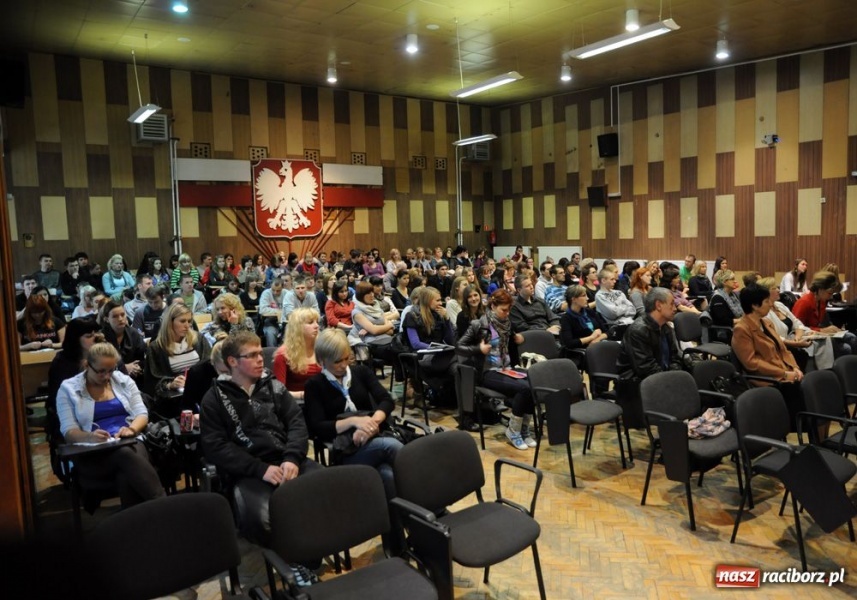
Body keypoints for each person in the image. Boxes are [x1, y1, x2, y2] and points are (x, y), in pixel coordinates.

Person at [200, 331, 317, 547]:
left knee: (328, 492)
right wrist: (259, 469)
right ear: (232, 361)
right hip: (248, 472)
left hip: (287, 460)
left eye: (261, 353)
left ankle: (310, 551)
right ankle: (294, 560)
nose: (261, 359)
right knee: (262, 520)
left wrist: (291, 457)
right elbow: (215, 447)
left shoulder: (273, 386)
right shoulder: (213, 399)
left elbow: (296, 423)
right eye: (252, 355)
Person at [56, 343, 165, 508]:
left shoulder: (123, 380)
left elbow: (141, 414)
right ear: (87, 365)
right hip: (92, 451)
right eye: (101, 371)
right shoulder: (68, 389)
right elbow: (68, 431)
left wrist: (131, 429)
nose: (107, 376)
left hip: (130, 440)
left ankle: (136, 527)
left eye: (111, 370)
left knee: (125, 473)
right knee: (125, 455)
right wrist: (90, 437)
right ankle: (164, 506)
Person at [457, 290, 535, 451]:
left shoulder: (507, 323)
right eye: (503, 310)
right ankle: (513, 431)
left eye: (508, 310)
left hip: (505, 367)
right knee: (524, 388)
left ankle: (524, 430)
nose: (507, 313)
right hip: (487, 371)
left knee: (535, 382)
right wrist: (478, 349)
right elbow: (459, 347)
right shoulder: (479, 324)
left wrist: (519, 338)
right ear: (493, 306)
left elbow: (511, 341)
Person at [732, 284, 805, 428]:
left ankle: (817, 439)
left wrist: (795, 368)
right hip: (766, 378)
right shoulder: (742, 329)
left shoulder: (766, 323)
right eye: (766, 301)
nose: (770, 304)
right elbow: (751, 363)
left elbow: (783, 350)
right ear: (754, 305)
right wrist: (784, 373)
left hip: (781, 372)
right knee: (804, 396)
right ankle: (807, 435)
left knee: (809, 388)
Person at [616, 288, 683, 428]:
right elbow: (645, 367)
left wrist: (675, 375)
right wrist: (671, 381)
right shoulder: (638, 330)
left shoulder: (666, 328)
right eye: (671, 304)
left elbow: (675, 357)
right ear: (658, 305)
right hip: (634, 382)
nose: (675, 308)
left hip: (659, 375)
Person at [145, 302, 211, 416]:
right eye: (182, 321)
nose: (187, 325)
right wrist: (170, 384)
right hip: (175, 399)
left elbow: (210, 366)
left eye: (189, 321)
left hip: (202, 392)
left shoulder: (198, 339)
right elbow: (152, 382)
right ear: (170, 322)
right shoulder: (156, 347)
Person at [755, 277, 829, 371]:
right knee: (812, 347)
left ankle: (826, 372)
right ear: (765, 292)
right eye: (774, 288)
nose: (778, 290)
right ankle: (813, 376)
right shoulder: (763, 312)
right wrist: (796, 343)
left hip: (795, 337)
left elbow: (797, 322)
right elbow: (773, 336)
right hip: (783, 343)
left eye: (778, 287)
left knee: (825, 339)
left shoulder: (779, 305)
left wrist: (798, 336)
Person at [402, 287, 457, 405]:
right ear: (427, 300)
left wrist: (447, 319)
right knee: (458, 361)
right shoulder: (412, 316)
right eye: (437, 300)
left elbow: (450, 340)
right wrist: (435, 348)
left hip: (439, 354)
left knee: (459, 365)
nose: (440, 303)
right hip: (422, 356)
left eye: (440, 300)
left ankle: (456, 399)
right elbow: (415, 343)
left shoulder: (438, 315)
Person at [47, 318, 104, 424]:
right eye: (88, 336)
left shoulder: (98, 356)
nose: (94, 339)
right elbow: (61, 399)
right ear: (75, 339)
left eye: (94, 334)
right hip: (73, 412)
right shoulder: (62, 363)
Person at [792, 271, 856, 356]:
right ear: (820, 289)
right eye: (829, 293)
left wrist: (833, 329)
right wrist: (821, 330)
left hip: (818, 334)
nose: (831, 296)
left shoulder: (821, 301)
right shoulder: (803, 302)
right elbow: (797, 328)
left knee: (852, 337)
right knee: (845, 348)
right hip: (809, 338)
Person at [273, 308, 322, 400]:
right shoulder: (282, 355)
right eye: (310, 322)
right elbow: (278, 392)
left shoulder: (321, 349)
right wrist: (304, 395)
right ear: (297, 327)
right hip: (297, 404)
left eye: (317, 322)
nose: (316, 326)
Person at [99, 300, 145, 380]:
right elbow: (101, 364)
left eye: (122, 315)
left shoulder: (133, 333)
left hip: (134, 375)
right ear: (106, 319)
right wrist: (123, 368)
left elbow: (142, 356)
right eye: (115, 316)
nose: (120, 319)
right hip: (110, 377)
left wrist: (135, 367)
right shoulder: (101, 337)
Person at [560, 285, 609, 354]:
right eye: (584, 296)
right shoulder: (566, 318)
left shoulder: (589, 311)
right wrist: (592, 337)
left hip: (598, 344)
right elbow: (569, 343)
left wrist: (597, 339)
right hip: (583, 351)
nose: (587, 298)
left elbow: (607, 332)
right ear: (574, 299)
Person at [709, 269, 743, 335]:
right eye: (732, 279)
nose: (735, 281)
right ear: (724, 282)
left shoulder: (732, 295)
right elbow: (722, 320)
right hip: (725, 331)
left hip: (735, 326)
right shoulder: (717, 298)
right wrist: (741, 320)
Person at [259, 276, 286, 347]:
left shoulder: (287, 293)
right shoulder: (266, 293)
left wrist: (275, 311)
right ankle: (271, 353)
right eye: (273, 290)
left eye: (278, 290)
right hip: (270, 321)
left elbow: (290, 309)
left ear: (282, 288)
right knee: (270, 333)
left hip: (285, 322)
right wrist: (279, 311)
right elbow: (262, 310)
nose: (275, 292)